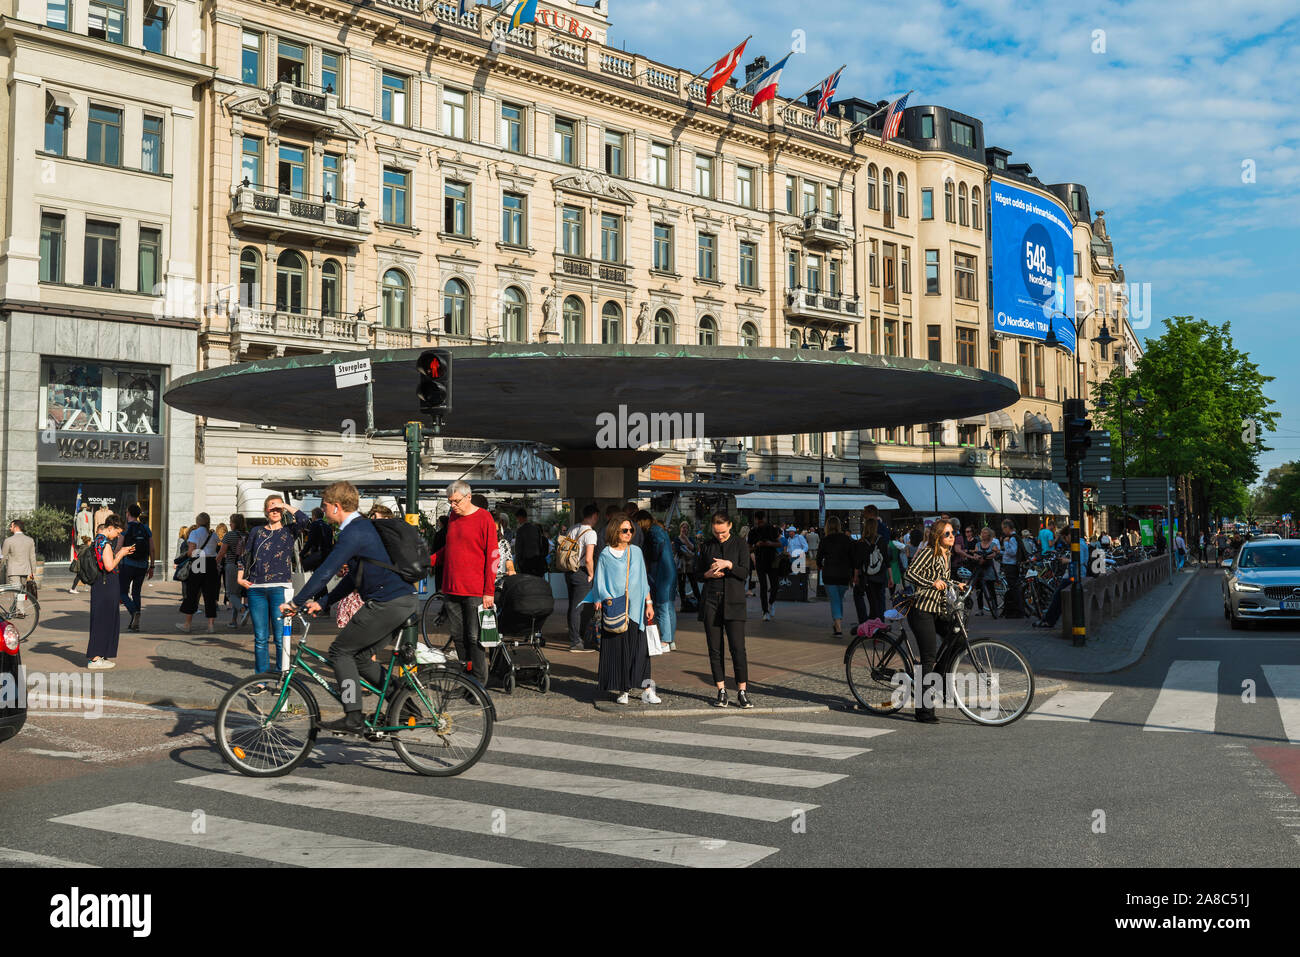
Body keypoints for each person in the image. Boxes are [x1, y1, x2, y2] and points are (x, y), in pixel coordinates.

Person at [282, 481, 419, 734]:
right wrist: (323, 602)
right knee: (361, 658)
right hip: (401, 601)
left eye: (324, 506)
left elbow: (325, 572)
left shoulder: (353, 532)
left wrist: (295, 602)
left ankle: (353, 716)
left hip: (387, 603)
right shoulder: (362, 528)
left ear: (336, 506)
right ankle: (406, 707)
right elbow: (351, 578)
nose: (323, 511)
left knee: (339, 652)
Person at [584, 513, 659, 705]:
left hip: (636, 608)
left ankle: (647, 689)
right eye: (624, 530)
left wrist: (649, 603)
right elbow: (600, 581)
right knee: (619, 650)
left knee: (641, 649)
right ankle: (623, 689)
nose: (628, 533)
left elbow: (643, 580)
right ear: (615, 531)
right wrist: (604, 598)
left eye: (631, 530)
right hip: (615, 607)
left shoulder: (636, 552)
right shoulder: (606, 555)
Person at [430, 481, 497, 685]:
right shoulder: (453, 518)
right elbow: (450, 549)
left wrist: (489, 591)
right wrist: (430, 559)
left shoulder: (484, 518)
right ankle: (467, 680)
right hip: (452, 588)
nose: (453, 506)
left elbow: (492, 556)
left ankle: (479, 683)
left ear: (468, 497)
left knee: (474, 637)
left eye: (456, 501)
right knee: (458, 637)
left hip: (475, 590)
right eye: (450, 502)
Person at [236, 496, 310, 669]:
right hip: (256, 589)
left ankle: (281, 676)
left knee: (280, 637)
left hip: (280, 588)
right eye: (272, 507)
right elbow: (245, 555)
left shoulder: (289, 531)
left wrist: (283, 504)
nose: (275, 511)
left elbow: (304, 520)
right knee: (260, 638)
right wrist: (240, 578)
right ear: (265, 510)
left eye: (278, 508)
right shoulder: (256, 531)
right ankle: (260, 679)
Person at [903, 518, 964, 723]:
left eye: (953, 532)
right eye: (947, 533)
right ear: (938, 536)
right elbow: (910, 573)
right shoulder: (929, 551)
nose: (952, 536)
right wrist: (932, 582)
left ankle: (934, 680)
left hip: (937, 609)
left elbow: (943, 579)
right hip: (921, 611)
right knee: (928, 657)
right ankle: (923, 711)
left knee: (959, 640)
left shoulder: (946, 554)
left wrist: (956, 584)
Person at [698, 512, 752, 708]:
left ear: (730, 526)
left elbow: (745, 572)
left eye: (722, 532)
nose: (719, 535)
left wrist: (729, 564)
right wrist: (709, 574)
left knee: (738, 648)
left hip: (734, 601)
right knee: (715, 648)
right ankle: (721, 690)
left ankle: (742, 691)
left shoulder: (740, 544)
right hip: (711, 600)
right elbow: (698, 574)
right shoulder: (706, 545)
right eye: (715, 532)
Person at [87, 515, 133, 670]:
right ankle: (95, 658)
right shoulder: (105, 543)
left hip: (100, 585)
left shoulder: (98, 540)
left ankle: (99, 655)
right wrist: (121, 554)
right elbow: (109, 566)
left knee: (102, 619)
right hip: (106, 585)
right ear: (110, 528)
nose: (118, 535)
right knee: (104, 620)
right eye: (117, 532)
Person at [637, 510, 677, 652]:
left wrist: (652, 557)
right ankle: (670, 639)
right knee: (669, 607)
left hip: (661, 572)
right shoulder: (659, 529)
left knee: (662, 606)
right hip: (669, 571)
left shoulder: (653, 531)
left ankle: (665, 640)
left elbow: (657, 546)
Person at [564, 504, 600, 653]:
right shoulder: (590, 533)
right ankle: (576, 642)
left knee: (572, 606)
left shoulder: (573, 529)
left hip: (569, 571)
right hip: (581, 572)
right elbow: (589, 559)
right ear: (594, 516)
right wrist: (591, 574)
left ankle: (574, 638)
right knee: (578, 608)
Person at [178, 513, 222, 634]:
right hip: (211, 563)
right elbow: (218, 546)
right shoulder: (213, 534)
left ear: (197, 522)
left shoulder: (194, 533)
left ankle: (187, 624)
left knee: (192, 592)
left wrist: (186, 555)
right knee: (210, 595)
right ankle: (211, 625)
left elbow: (192, 552)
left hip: (199, 561)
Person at [119, 504, 155, 632]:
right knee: (136, 592)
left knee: (122, 592)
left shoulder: (126, 528)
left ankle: (134, 612)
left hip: (127, 564)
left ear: (128, 513)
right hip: (142, 565)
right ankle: (135, 623)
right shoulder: (146, 528)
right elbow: (152, 548)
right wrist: (152, 566)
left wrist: (113, 559)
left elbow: (119, 547)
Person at [818, 517, 854, 638]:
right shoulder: (847, 539)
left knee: (835, 600)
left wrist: (821, 566)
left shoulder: (825, 540)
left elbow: (818, 559)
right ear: (839, 526)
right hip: (844, 575)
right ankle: (836, 623)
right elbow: (852, 557)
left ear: (827, 526)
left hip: (829, 574)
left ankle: (838, 628)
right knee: (838, 599)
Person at [852, 516, 890, 624]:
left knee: (872, 601)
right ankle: (880, 623)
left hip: (868, 577)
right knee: (880, 600)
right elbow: (887, 560)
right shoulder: (882, 540)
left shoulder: (861, 542)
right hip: (881, 575)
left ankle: (873, 624)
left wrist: (855, 576)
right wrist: (890, 577)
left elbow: (857, 562)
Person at [747, 512, 782, 621]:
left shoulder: (772, 529)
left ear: (765, 519)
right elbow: (748, 548)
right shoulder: (753, 531)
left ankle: (771, 602)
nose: (760, 523)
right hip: (760, 560)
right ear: (756, 520)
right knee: (763, 586)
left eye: (762, 521)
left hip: (772, 560)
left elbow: (781, 543)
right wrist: (756, 545)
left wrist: (770, 544)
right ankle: (765, 611)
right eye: (759, 521)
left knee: (775, 585)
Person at [219, 513, 248, 629]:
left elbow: (222, 552)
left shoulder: (229, 535)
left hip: (233, 566)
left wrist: (216, 562)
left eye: (231, 522)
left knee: (230, 594)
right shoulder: (248, 535)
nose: (230, 524)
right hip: (245, 567)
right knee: (238, 594)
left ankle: (243, 609)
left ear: (235, 523)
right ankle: (233, 620)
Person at [971, 527, 1000, 617]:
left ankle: (995, 608)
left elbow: (995, 554)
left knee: (991, 589)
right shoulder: (978, 544)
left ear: (989, 535)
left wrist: (985, 557)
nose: (983, 534)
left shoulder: (993, 544)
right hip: (979, 568)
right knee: (979, 590)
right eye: (982, 532)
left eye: (985, 533)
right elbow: (975, 553)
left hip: (989, 568)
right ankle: (980, 609)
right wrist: (976, 557)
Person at [513, 508, 550, 577]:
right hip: (537, 561)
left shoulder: (520, 530)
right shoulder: (536, 528)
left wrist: (516, 562)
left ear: (520, 517)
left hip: (525, 562)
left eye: (517, 518)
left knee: (527, 583)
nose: (517, 521)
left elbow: (518, 548)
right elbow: (540, 544)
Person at [2, 519, 37, 589]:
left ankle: (19, 600)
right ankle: (21, 600)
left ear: (16, 527)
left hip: (13, 571)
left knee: (17, 592)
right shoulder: (30, 540)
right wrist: (33, 572)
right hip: (25, 570)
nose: (10, 528)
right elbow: (32, 557)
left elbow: (3, 556)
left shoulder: (8, 540)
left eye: (11, 526)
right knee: (22, 592)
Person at [999, 520, 1024, 618]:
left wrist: (1005, 544)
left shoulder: (1012, 538)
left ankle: (1017, 611)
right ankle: (1015, 609)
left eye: (1003, 529)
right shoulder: (1015, 537)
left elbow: (1012, 552)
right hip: (1012, 564)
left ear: (1007, 528)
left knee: (1013, 588)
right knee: (1013, 588)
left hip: (1011, 565)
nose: (1003, 531)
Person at [675, 521, 701, 609]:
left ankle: (699, 602)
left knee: (694, 583)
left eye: (686, 527)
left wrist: (686, 540)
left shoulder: (690, 538)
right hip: (681, 566)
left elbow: (693, 548)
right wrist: (689, 551)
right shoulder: (677, 539)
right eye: (683, 527)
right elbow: (679, 550)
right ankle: (683, 603)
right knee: (681, 585)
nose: (684, 529)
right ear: (680, 528)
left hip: (690, 565)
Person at [302, 507, 335, 572]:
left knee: (304, 566)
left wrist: (302, 553)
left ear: (314, 516)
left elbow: (310, 541)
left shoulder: (314, 524)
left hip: (317, 554)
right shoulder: (328, 526)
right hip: (326, 555)